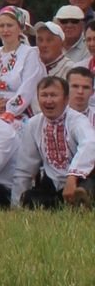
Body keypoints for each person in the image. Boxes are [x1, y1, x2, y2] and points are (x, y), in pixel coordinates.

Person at [11, 76, 94, 208]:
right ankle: (68, 205)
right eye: (44, 95)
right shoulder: (34, 124)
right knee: (28, 199)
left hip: (80, 180)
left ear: (66, 99)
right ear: (38, 98)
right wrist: (15, 206)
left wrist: (73, 176)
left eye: (54, 95)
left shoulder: (77, 120)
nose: (48, 100)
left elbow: (90, 144)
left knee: (88, 186)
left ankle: (79, 200)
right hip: (52, 183)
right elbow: (24, 169)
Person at [0, 7, 40, 122]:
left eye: (9, 25)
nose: (5, 30)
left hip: (20, 113)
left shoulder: (30, 53)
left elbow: (28, 88)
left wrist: (10, 109)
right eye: (1, 26)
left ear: (20, 28)